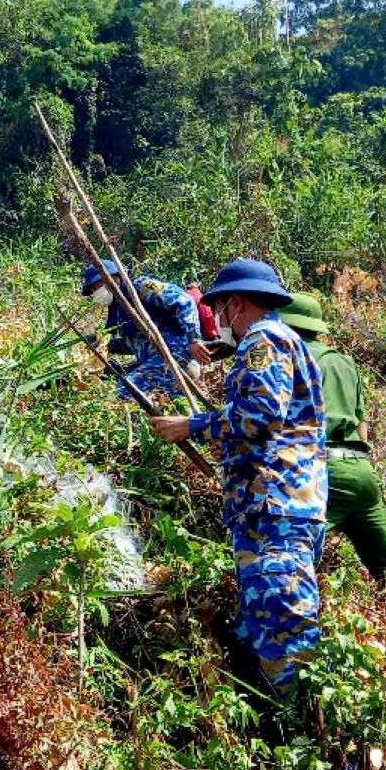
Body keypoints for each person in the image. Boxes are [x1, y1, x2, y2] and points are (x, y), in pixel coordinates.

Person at [150, 259, 328, 691]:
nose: (219, 321)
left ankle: (302, 726)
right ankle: (280, 725)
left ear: (235, 303)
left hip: (276, 504)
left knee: (284, 623)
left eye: (221, 311)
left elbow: (261, 416)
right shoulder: (283, 341)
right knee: (262, 624)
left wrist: (191, 425)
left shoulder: (264, 339)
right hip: (274, 504)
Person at [281, 293, 386, 629]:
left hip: (323, 469)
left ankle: (296, 650)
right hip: (361, 471)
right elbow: (362, 424)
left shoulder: (293, 358)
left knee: (286, 562)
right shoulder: (344, 362)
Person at [80, 259, 202, 400]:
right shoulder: (117, 309)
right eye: (93, 291)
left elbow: (184, 301)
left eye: (97, 286)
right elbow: (138, 343)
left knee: (123, 391)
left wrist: (194, 338)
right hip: (152, 361)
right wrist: (106, 346)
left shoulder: (141, 287)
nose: (96, 293)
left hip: (175, 358)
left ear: (113, 277)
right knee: (110, 375)